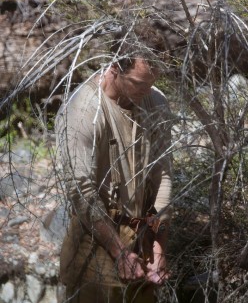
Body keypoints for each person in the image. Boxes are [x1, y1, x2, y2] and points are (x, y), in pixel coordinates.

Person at [55, 19, 173, 303]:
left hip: (143, 234)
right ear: (115, 67)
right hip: (95, 239)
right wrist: (119, 251)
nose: (147, 90)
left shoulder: (155, 102)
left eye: (152, 82)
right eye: (138, 83)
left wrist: (159, 246)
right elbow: (81, 191)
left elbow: (163, 175)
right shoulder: (84, 110)